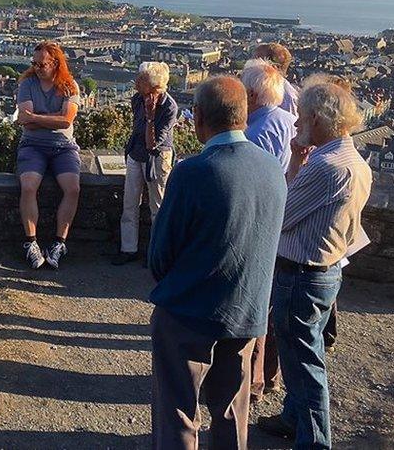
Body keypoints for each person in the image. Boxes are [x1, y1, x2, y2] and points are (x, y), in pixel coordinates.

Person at [148, 76, 287, 450]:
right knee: (231, 412)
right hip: (246, 312)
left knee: (178, 410)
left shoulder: (192, 172)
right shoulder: (274, 169)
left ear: (197, 119)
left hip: (189, 313)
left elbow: (160, 255)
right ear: (244, 115)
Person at [257, 77, 372, 450]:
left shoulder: (326, 167)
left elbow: (281, 215)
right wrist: (295, 162)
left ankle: (315, 442)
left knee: (304, 363)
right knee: (302, 354)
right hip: (327, 270)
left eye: (303, 116)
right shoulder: (354, 161)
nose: (297, 122)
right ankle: (293, 418)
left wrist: (293, 168)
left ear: (321, 120)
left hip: (301, 274)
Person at [241, 58, 298, 401]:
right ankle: (268, 378)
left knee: (255, 308)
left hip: (262, 226)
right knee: (272, 309)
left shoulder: (257, 132)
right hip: (284, 226)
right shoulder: (288, 120)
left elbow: (247, 183)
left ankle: (251, 383)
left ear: (250, 94)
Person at [15, 41, 82, 269]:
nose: (36, 68)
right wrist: (49, 119)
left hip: (63, 147)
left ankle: (59, 242)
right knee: (28, 186)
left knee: (72, 188)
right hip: (32, 145)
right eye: (34, 63)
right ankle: (31, 242)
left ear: (55, 63)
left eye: (41, 64)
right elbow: (25, 122)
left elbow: (66, 121)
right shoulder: (27, 84)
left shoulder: (70, 86)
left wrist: (35, 117)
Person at [113, 61, 178, 266]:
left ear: (154, 86)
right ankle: (128, 248)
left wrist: (150, 117)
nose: (137, 82)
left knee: (157, 207)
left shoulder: (169, 107)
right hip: (136, 153)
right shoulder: (137, 99)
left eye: (141, 80)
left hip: (157, 156)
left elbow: (153, 144)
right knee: (129, 203)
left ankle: (156, 254)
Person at [253, 43, 299, 116]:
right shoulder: (256, 88)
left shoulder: (287, 97)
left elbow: (291, 125)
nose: (251, 65)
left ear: (273, 67)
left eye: (257, 61)